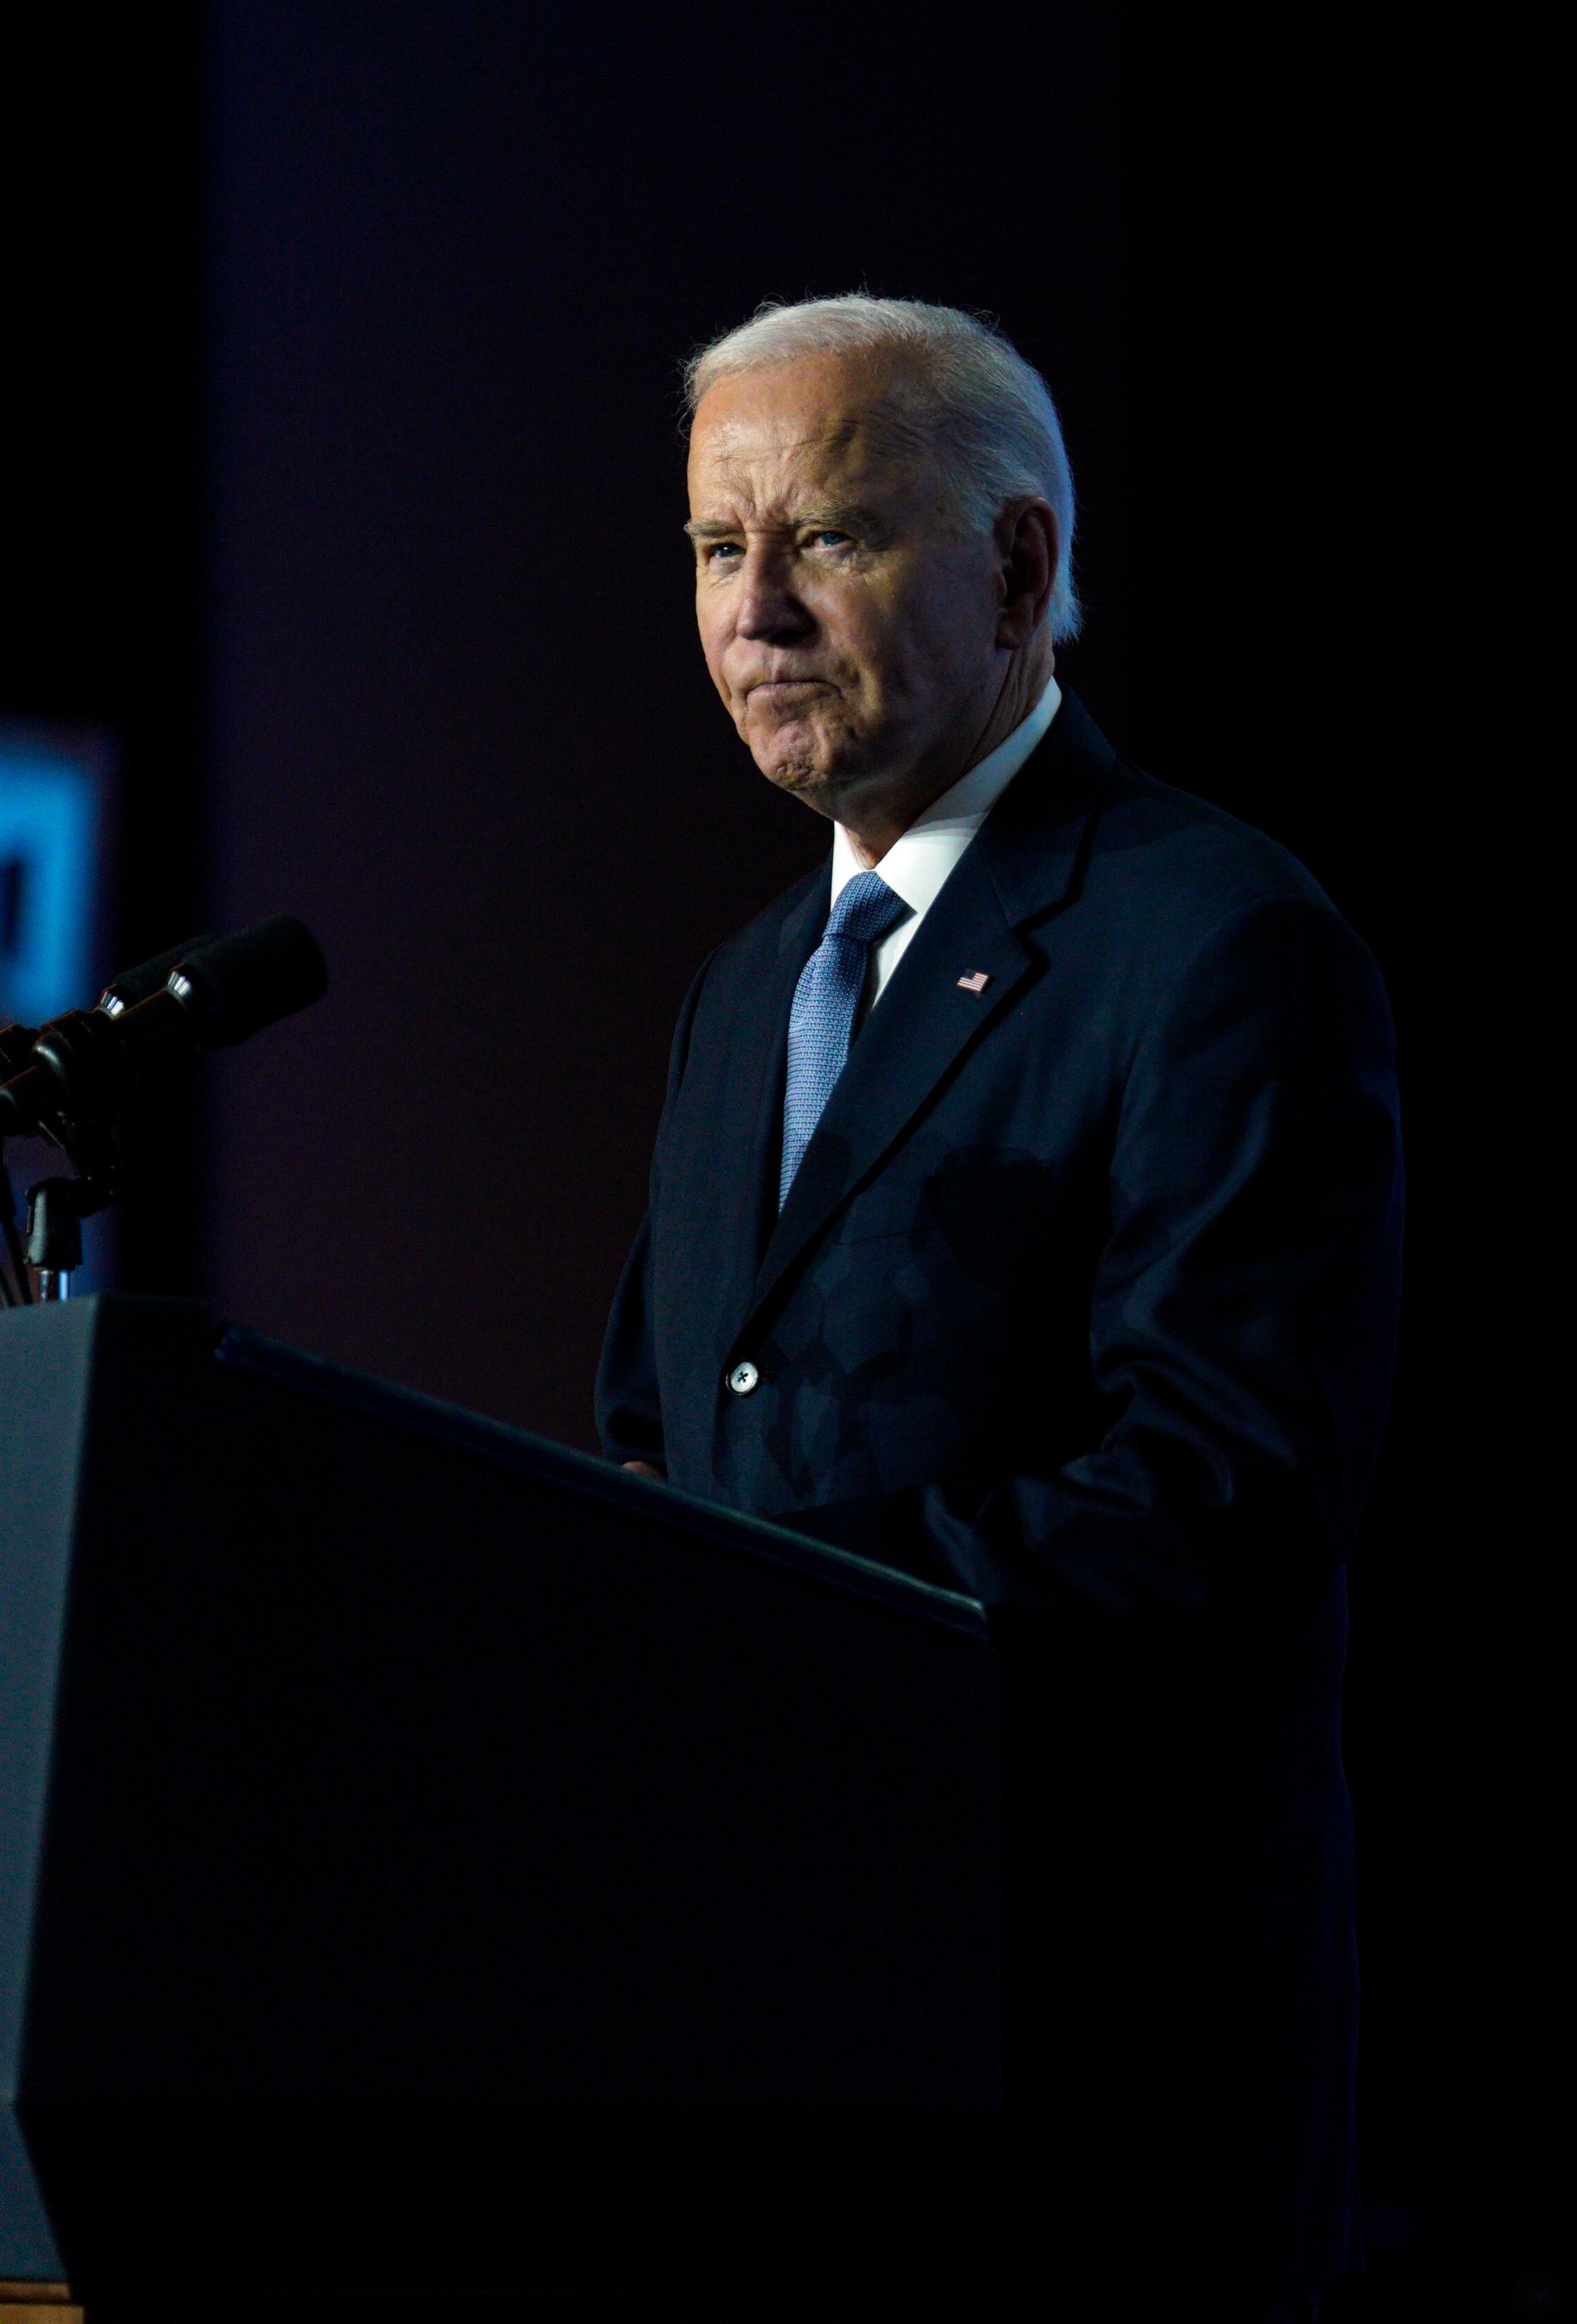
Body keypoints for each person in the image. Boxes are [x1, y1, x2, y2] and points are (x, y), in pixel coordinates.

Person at [595, 295, 1403, 2317]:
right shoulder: (746, 987)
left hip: (1080, 2095)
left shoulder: (1211, 941)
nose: (755, 612)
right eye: (716, 550)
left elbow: (1216, 1502)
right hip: (762, 2070)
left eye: (829, 539)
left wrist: (768, 1616)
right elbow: (653, 1441)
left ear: (1021, 567)